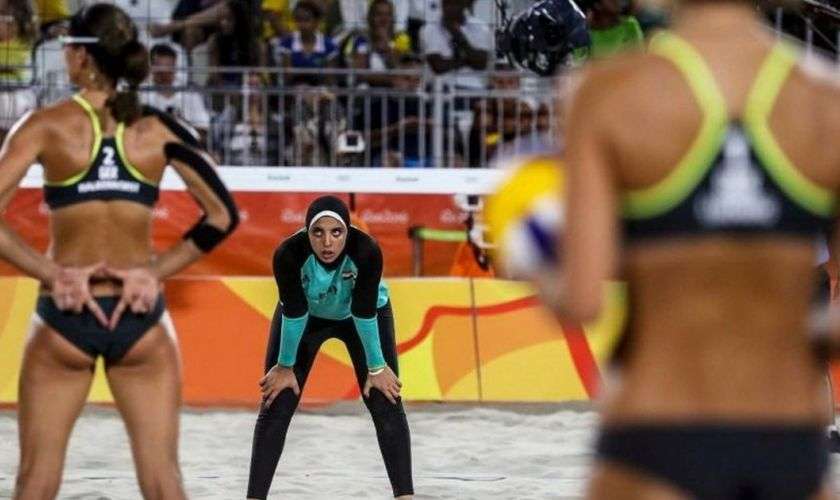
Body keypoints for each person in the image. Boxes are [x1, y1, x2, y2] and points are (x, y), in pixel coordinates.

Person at [559, 0, 840, 497]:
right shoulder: (824, 98)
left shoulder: (610, 92)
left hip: (659, 422)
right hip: (786, 428)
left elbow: (582, 300)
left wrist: (524, 255)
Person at [2, 4, 238, 498]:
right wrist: (154, 272)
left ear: (81, 58)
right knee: (164, 483)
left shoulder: (45, 125)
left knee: (35, 483)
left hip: (67, 311)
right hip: (139, 314)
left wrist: (51, 273)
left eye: (68, 48)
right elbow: (224, 215)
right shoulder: (157, 128)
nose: (63, 55)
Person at [247, 196, 413, 499]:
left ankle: (405, 496)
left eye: (336, 232)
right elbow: (294, 312)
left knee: (384, 396)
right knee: (277, 397)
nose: (327, 242)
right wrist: (284, 366)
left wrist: (377, 367)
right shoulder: (288, 253)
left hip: (361, 316)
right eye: (318, 232)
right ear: (306, 232)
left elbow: (363, 311)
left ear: (347, 231)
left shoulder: (366, 250)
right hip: (307, 317)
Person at [144, 43, 211, 143]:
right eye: (160, 69)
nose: (165, 74)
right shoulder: (142, 93)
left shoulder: (190, 94)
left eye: (169, 68)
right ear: (152, 67)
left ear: (175, 66)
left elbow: (203, 130)